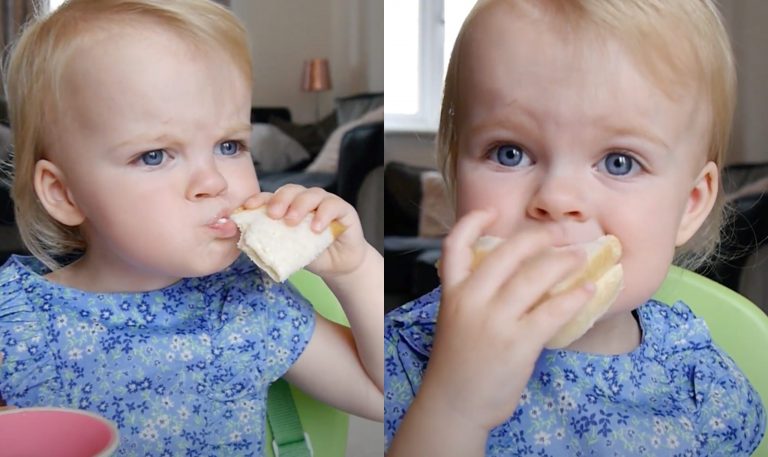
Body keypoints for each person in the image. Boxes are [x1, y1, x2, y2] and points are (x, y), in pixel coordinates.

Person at [0, 0, 383, 455]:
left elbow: (386, 396)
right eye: (155, 155)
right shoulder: (16, 320)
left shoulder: (249, 303)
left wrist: (355, 270)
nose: (214, 181)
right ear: (65, 194)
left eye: (229, 145)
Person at [384, 0, 766, 455]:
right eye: (510, 152)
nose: (558, 199)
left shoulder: (705, 387)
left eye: (619, 162)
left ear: (690, 203)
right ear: (453, 174)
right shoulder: (402, 358)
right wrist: (454, 407)